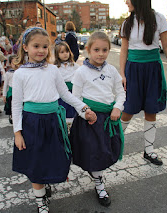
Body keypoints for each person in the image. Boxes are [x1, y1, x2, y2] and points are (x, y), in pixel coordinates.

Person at [11, 27, 97, 213]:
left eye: (44, 46)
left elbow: (65, 94)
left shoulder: (52, 70)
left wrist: (83, 108)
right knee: (34, 162)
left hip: (53, 122)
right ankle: (41, 201)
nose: (41, 50)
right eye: (36, 46)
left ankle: (45, 183)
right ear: (25, 47)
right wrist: (17, 132)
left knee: (52, 157)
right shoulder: (19, 74)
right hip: (31, 124)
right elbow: (16, 105)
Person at [120, 0, 167, 165]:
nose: (126, 2)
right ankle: (114, 145)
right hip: (133, 70)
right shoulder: (127, 23)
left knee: (151, 110)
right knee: (128, 110)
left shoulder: (158, 18)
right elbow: (124, 49)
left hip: (153, 68)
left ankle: (149, 151)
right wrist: (122, 74)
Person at [70, 32, 126, 207]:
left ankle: (96, 175)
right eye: (96, 50)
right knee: (95, 153)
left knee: (106, 152)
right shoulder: (81, 72)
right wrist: (85, 112)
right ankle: (99, 184)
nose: (101, 54)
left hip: (108, 119)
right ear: (87, 50)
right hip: (90, 120)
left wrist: (118, 107)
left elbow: (121, 92)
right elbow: (75, 98)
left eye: (105, 50)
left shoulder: (111, 70)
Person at [54, 41, 79, 119]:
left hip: (73, 93)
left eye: (67, 51)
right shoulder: (55, 67)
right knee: (62, 113)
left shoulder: (75, 66)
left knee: (73, 113)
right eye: (62, 52)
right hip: (61, 95)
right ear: (57, 54)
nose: (65, 54)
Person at [3, 55, 18, 124]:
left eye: (17, 62)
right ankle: (11, 115)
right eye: (13, 63)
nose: (15, 65)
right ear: (10, 64)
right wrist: (4, 95)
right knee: (11, 104)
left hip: (19, 91)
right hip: (11, 92)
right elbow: (5, 85)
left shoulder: (21, 72)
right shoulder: (8, 73)